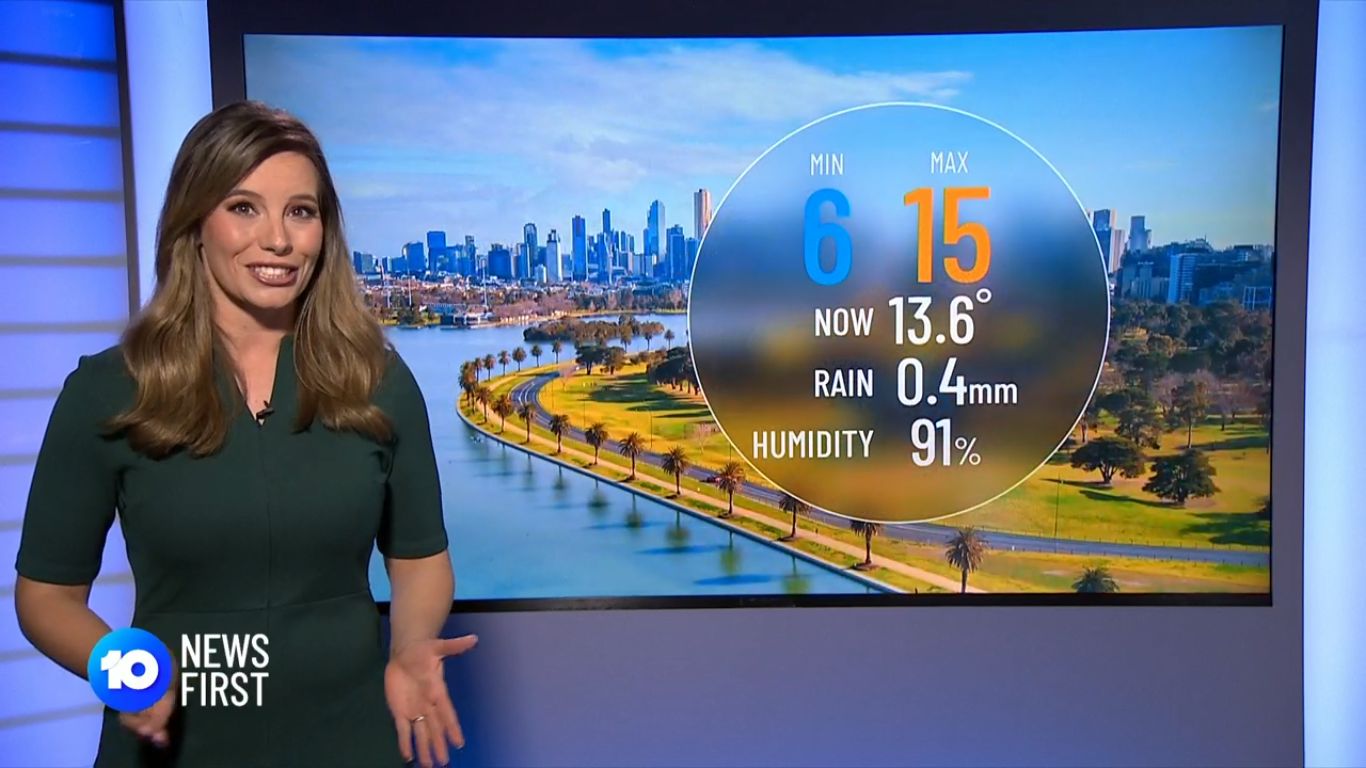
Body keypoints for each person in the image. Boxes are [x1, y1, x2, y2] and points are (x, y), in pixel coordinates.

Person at [13, 101, 475, 768]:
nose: (278, 240)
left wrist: (410, 646)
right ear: (194, 223)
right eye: (244, 208)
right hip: (173, 743)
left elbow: (421, 559)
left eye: (300, 211)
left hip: (349, 739)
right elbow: (45, 597)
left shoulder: (378, 381)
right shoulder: (108, 390)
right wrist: (118, 666)